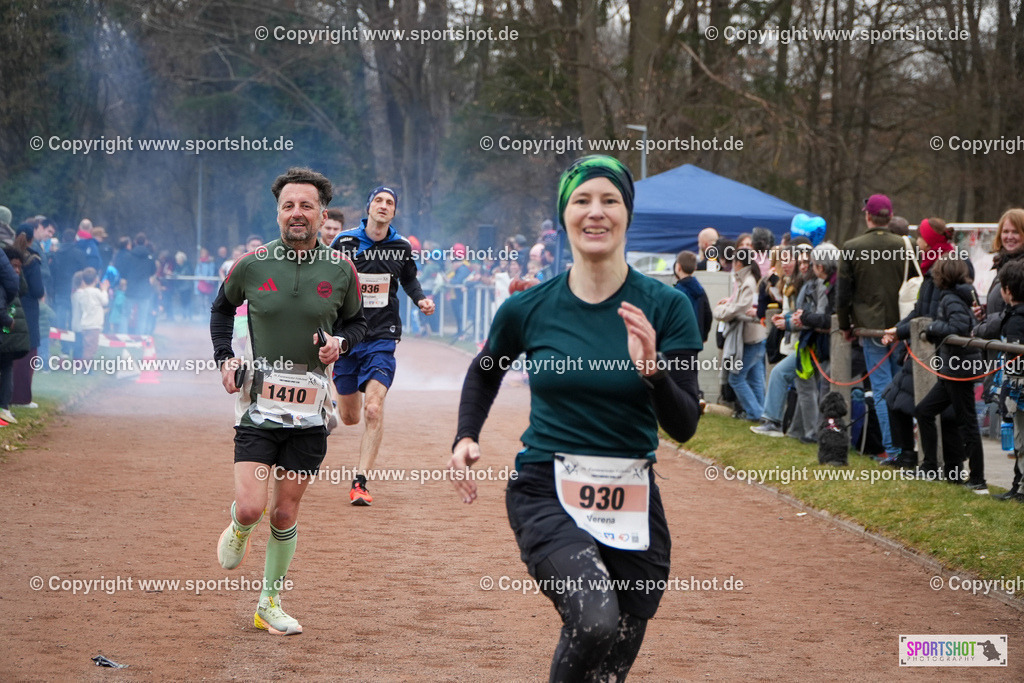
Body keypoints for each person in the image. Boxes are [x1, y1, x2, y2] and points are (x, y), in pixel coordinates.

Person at [447, 155, 701, 681]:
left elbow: (685, 426)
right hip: (546, 485)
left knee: (610, 666)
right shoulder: (529, 308)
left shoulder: (666, 307)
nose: (596, 211)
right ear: (564, 216)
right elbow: (485, 371)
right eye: (582, 200)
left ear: (627, 214)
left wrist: (654, 373)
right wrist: (465, 437)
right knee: (594, 620)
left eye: (610, 200)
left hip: (632, 494)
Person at [210, 167, 367, 635]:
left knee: (284, 512)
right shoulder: (253, 264)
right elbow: (221, 307)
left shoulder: (342, 270)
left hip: (310, 413)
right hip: (257, 407)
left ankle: (268, 603)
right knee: (253, 507)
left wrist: (341, 342)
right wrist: (223, 359)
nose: (297, 214)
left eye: (306, 206)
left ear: (322, 213)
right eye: (288, 206)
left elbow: (358, 325)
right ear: (278, 212)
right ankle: (239, 526)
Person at [330, 185, 435, 506]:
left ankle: (359, 483)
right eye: (379, 200)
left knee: (373, 409)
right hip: (348, 337)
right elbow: (326, 279)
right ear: (369, 207)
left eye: (390, 203)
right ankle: (335, 411)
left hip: (383, 336)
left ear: (394, 211)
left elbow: (409, 280)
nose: (384, 206)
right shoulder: (344, 242)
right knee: (350, 418)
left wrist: (421, 299)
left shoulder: (400, 246)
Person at [879, 218, 963, 471]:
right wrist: (898, 330)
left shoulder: (947, 268)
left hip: (937, 351)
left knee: (940, 412)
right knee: (894, 397)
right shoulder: (928, 268)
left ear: (930, 240)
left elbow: (932, 317)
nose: (918, 243)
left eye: (921, 238)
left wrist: (901, 332)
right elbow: (918, 311)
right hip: (919, 345)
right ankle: (907, 453)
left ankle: (949, 464)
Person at [836, 194, 911, 460]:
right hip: (900, 327)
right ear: (889, 217)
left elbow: (842, 294)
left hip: (870, 330)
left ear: (867, 216)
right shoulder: (906, 246)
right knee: (901, 388)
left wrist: (845, 325)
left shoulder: (852, 247)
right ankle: (905, 449)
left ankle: (893, 450)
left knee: (881, 388)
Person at [902, 254, 986, 491]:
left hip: (959, 369)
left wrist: (932, 327)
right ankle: (930, 466)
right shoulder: (958, 295)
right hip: (951, 368)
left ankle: (978, 480)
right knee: (924, 411)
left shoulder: (950, 297)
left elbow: (959, 327)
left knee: (967, 422)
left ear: (943, 276)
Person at [976, 257, 1024, 500]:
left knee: (1021, 439)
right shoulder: (1013, 315)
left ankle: (1022, 489)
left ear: (1006, 290)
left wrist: (1007, 393)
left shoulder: (1016, 320)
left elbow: (1016, 362)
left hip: (1020, 393)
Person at [714, 245, 766, 421]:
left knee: (736, 379)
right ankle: (764, 414)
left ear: (738, 263)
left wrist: (721, 311)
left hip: (749, 337)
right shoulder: (750, 280)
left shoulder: (748, 282)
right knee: (755, 379)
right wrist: (729, 302)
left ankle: (755, 413)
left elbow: (740, 308)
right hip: (757, 336)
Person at [12, 225, 44, 408]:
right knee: (27, 353)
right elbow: (38, 290)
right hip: (28, 311)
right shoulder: (32, 260)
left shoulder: (5, 255)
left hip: (7, 306)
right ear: (32, 239)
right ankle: (21, 398)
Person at [673, 251, 711, 344]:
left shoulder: (677, 291)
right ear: (695, 268)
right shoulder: (700, 290)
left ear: (678, 267)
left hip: (679, 339)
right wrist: (703, 336)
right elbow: (708, 314)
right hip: (696, 339)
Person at [71, 267, 109, 359]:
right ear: (96, 280)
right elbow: (105, 301)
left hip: (85, 324)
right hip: (93, 325)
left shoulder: (83, 293)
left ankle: (82, 365)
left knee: (86, 346)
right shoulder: (96, 292)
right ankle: (86, 368)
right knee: (91, 348)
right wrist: (104, 290)